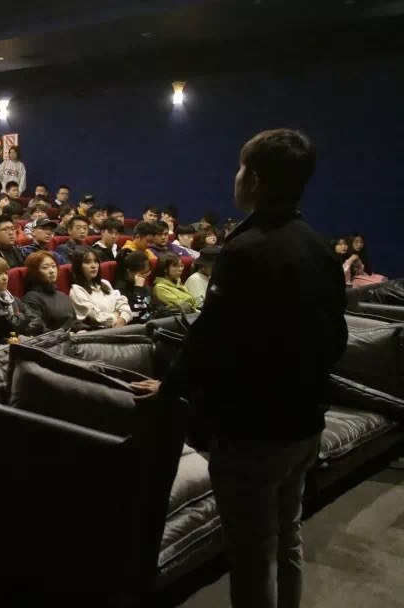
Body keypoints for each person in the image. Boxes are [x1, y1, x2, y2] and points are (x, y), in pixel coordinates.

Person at [140, 129, 347, 608]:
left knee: (252, 553)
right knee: (287, 536)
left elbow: (210, 337)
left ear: (253, 180)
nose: (236, 177)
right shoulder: (318, 245)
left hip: (254, 430)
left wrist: (169, 391)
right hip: (306, 420)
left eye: (240, 168)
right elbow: (335, 338)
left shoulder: (247, 248)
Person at [0, 254, 43, 344]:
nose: (5, 278)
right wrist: (24, 319)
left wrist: (22, 329)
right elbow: (12, 325)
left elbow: (37, 320)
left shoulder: (11, 298)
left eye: (5, 273)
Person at [68, 247, 132, 328]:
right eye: (87, 262)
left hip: (120, 327)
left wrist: (123, 318)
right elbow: (97, 318)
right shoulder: (76, 291)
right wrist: (116, 315)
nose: (93, 266)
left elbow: (122, 303)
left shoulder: (105, 283)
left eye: (96, 261)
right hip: (99, 332)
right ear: (78, 266)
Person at [21, 250, 76, 331]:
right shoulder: (32, 298)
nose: (52, 271)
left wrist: (81, 329)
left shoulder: (62, 295)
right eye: (45, 268)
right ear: (34, 272)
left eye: (53, 266)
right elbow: (39, 329)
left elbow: (74, 321)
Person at [111, 251, 153, 324]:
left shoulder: (143, 283)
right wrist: (138, 289)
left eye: (148, 272)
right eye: (143, 273)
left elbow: (153, 303)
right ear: (129, 271)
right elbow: (136, 313)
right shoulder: (120, 289)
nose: (146, 276)